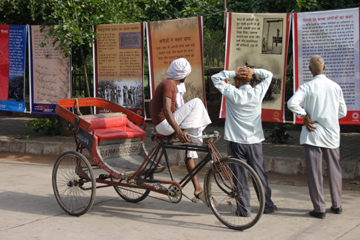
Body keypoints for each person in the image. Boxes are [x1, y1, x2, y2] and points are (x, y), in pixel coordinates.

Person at [211, 66, 277, 215]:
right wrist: (254, 71)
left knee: (239, 176)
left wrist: (233, 72)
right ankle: (267, 205)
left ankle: (244, 209)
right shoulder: (257, 92)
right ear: (250, 80)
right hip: (255, 141)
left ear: (237, 81)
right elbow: (269, 75)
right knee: (259, 174)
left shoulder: (232, 93)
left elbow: (215, 78)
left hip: (236, 141)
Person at [287, 55, 347, 219]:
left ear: (310, 69)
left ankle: (319, 208)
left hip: (313, 133)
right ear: (324, 67)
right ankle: (337, 205)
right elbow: (343, 112)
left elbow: (291, 103)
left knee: (315, 172)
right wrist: (329, 115)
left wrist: (304, 114)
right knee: (335, 170)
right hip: (332, 134)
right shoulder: (335, 87)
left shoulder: (307, 87)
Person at [150, 58, 212, 205]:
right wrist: (178, 132)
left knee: (189, 152)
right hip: (165, 125)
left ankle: (197, 189)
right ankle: (195, 137)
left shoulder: (174, 86)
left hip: (167, 125)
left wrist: (181, 131)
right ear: (183, 75)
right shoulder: (169, 84)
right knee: (197, 102)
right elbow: (166, 109)